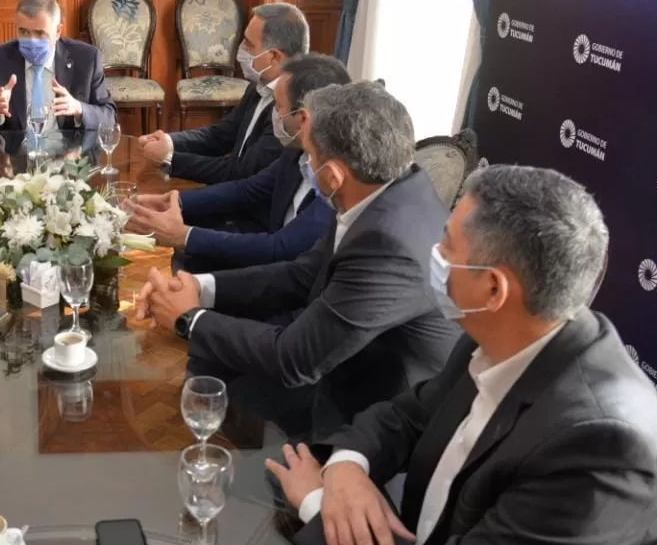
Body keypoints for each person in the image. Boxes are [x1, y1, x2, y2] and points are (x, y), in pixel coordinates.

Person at [250, 165, 657, 545]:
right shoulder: (506, 337)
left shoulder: (604, 445)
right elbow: (405, 415)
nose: (434, 252)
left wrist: (318, 503)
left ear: (493, 287)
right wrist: (347, 466)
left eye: (446, 243)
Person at [136, 82, 460, 442]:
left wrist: (189, 318)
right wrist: (201, 287)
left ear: (333, 175)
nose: (302, 163)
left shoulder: (389, 244)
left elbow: (296, 359)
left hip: (375, 411)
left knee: (226, 388)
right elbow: (303, 272)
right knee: (214, 370)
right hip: (344, 358)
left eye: (308, 156)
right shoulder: (386, 187)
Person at [126, 54, 349, 273]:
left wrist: (183, 235)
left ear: (303, 118)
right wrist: (174, 201)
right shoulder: (298, 151)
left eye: (278, 107)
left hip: (286, 285)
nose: (273, 115)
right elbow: (250, 188)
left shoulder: (336, 180)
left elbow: (279, 248)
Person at [137, 3, 310, 185]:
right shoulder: (260, 84)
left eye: (249, 44)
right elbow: (220, 136)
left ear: (274, 56)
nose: (241, 49)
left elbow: (240, 172)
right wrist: (168, 141)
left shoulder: (291, 108)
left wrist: (169, 159)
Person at [0, 0, 116, 133]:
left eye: (40, 33)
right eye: (24, 32)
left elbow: (109, 116)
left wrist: (78, 109)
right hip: (15, 156)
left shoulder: (86, 58)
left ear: (58, 31)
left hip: (68, 156)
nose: (31, 41)